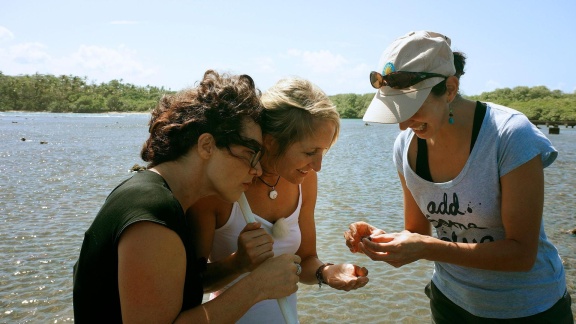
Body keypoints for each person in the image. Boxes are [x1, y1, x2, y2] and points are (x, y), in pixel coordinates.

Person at [344, 31, 573, 322]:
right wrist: (382, 240)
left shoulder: (510, 136)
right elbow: (418, 232)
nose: (402, 125)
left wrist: (428, 248)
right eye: (396, 110)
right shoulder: (406, 146)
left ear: (450, 89)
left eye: (412, 108)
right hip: (450, 302)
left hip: (527, 309)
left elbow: (521, 255)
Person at [72, 70, 301, 323]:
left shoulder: (152, 195)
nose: (257, 170)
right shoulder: (152, 211)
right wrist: (257, 287)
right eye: (250, 153)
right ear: (206, 146)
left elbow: (172, 292)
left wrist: (239, 265)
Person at [188, 77, 369, 323]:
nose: (318, 167)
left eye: (323, 152)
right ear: (271, 143)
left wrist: (326, 272)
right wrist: (237, 263)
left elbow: (305, 260)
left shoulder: (305, 181)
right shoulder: (219, 191)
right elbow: (191, 285)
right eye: (309, 153)